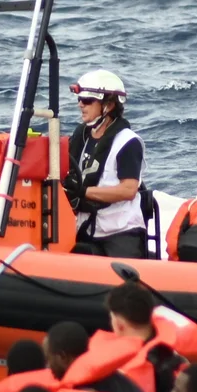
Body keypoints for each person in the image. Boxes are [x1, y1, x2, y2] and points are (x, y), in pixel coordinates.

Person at [65, 69, 150, 258]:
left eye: (87, 101)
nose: (80, 105)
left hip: (120, 231)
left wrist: (83, 192)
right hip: (85, 229)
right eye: (79, 99)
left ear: (109, 105)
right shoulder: (81, 137)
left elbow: (128, 190)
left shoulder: (127, 142)